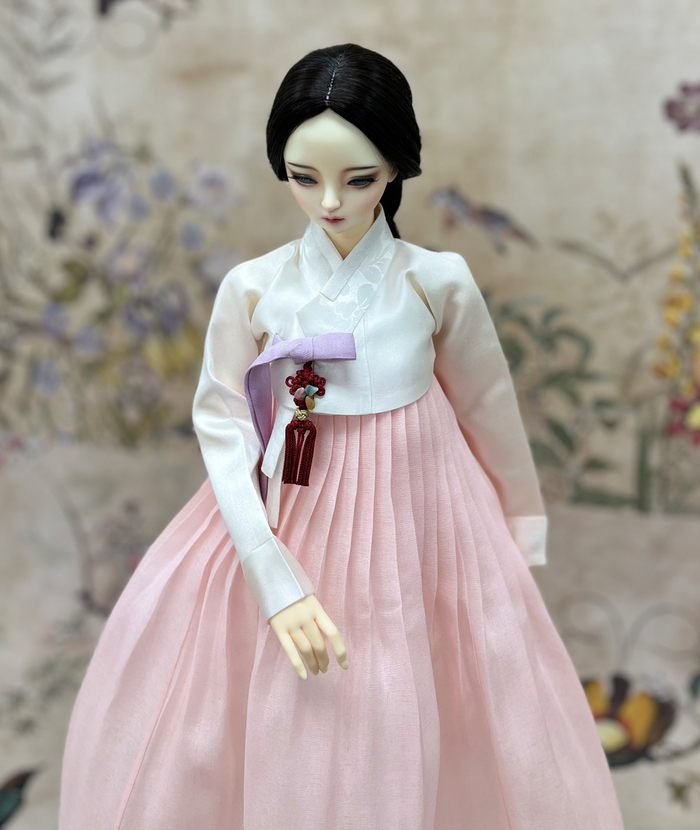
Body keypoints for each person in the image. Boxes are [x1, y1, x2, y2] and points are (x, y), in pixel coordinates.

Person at [58, 43, 625, 830]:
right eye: (305, 177)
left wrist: (518, 521)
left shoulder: (435, 280)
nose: (329, 202)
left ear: (395, 167)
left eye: (358, 179)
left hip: (419, 509)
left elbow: (486, 404)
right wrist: (271, 574)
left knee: (426, 676)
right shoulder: (253, 287)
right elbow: (221, 419)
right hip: (288, 507)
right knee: (273, 696)